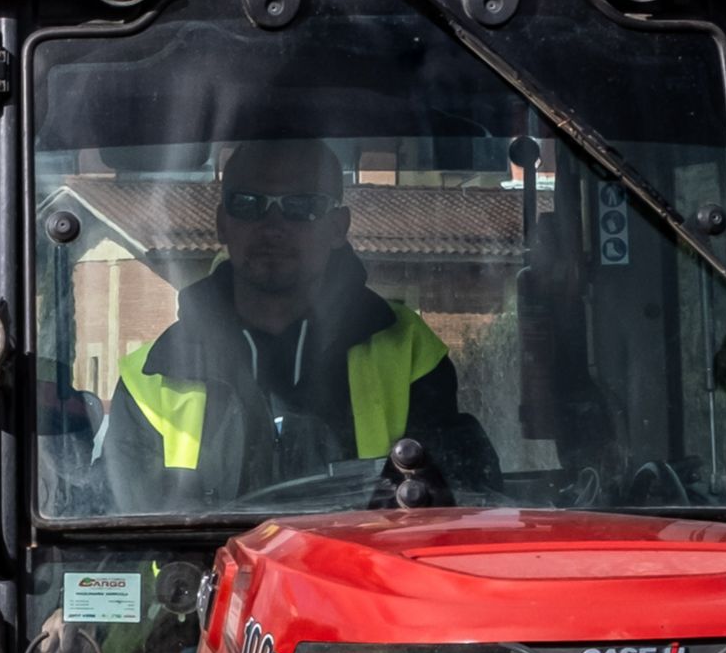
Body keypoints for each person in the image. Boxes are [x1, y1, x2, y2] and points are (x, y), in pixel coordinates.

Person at [101, 139, 491, 511]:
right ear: (223, 223)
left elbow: (454, 509)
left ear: (339, 227)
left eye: (302, 205)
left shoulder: (411, 355)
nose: (273, 225)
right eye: (249, 204)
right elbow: (119, 551)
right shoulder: (150, 379)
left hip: (359, 581)